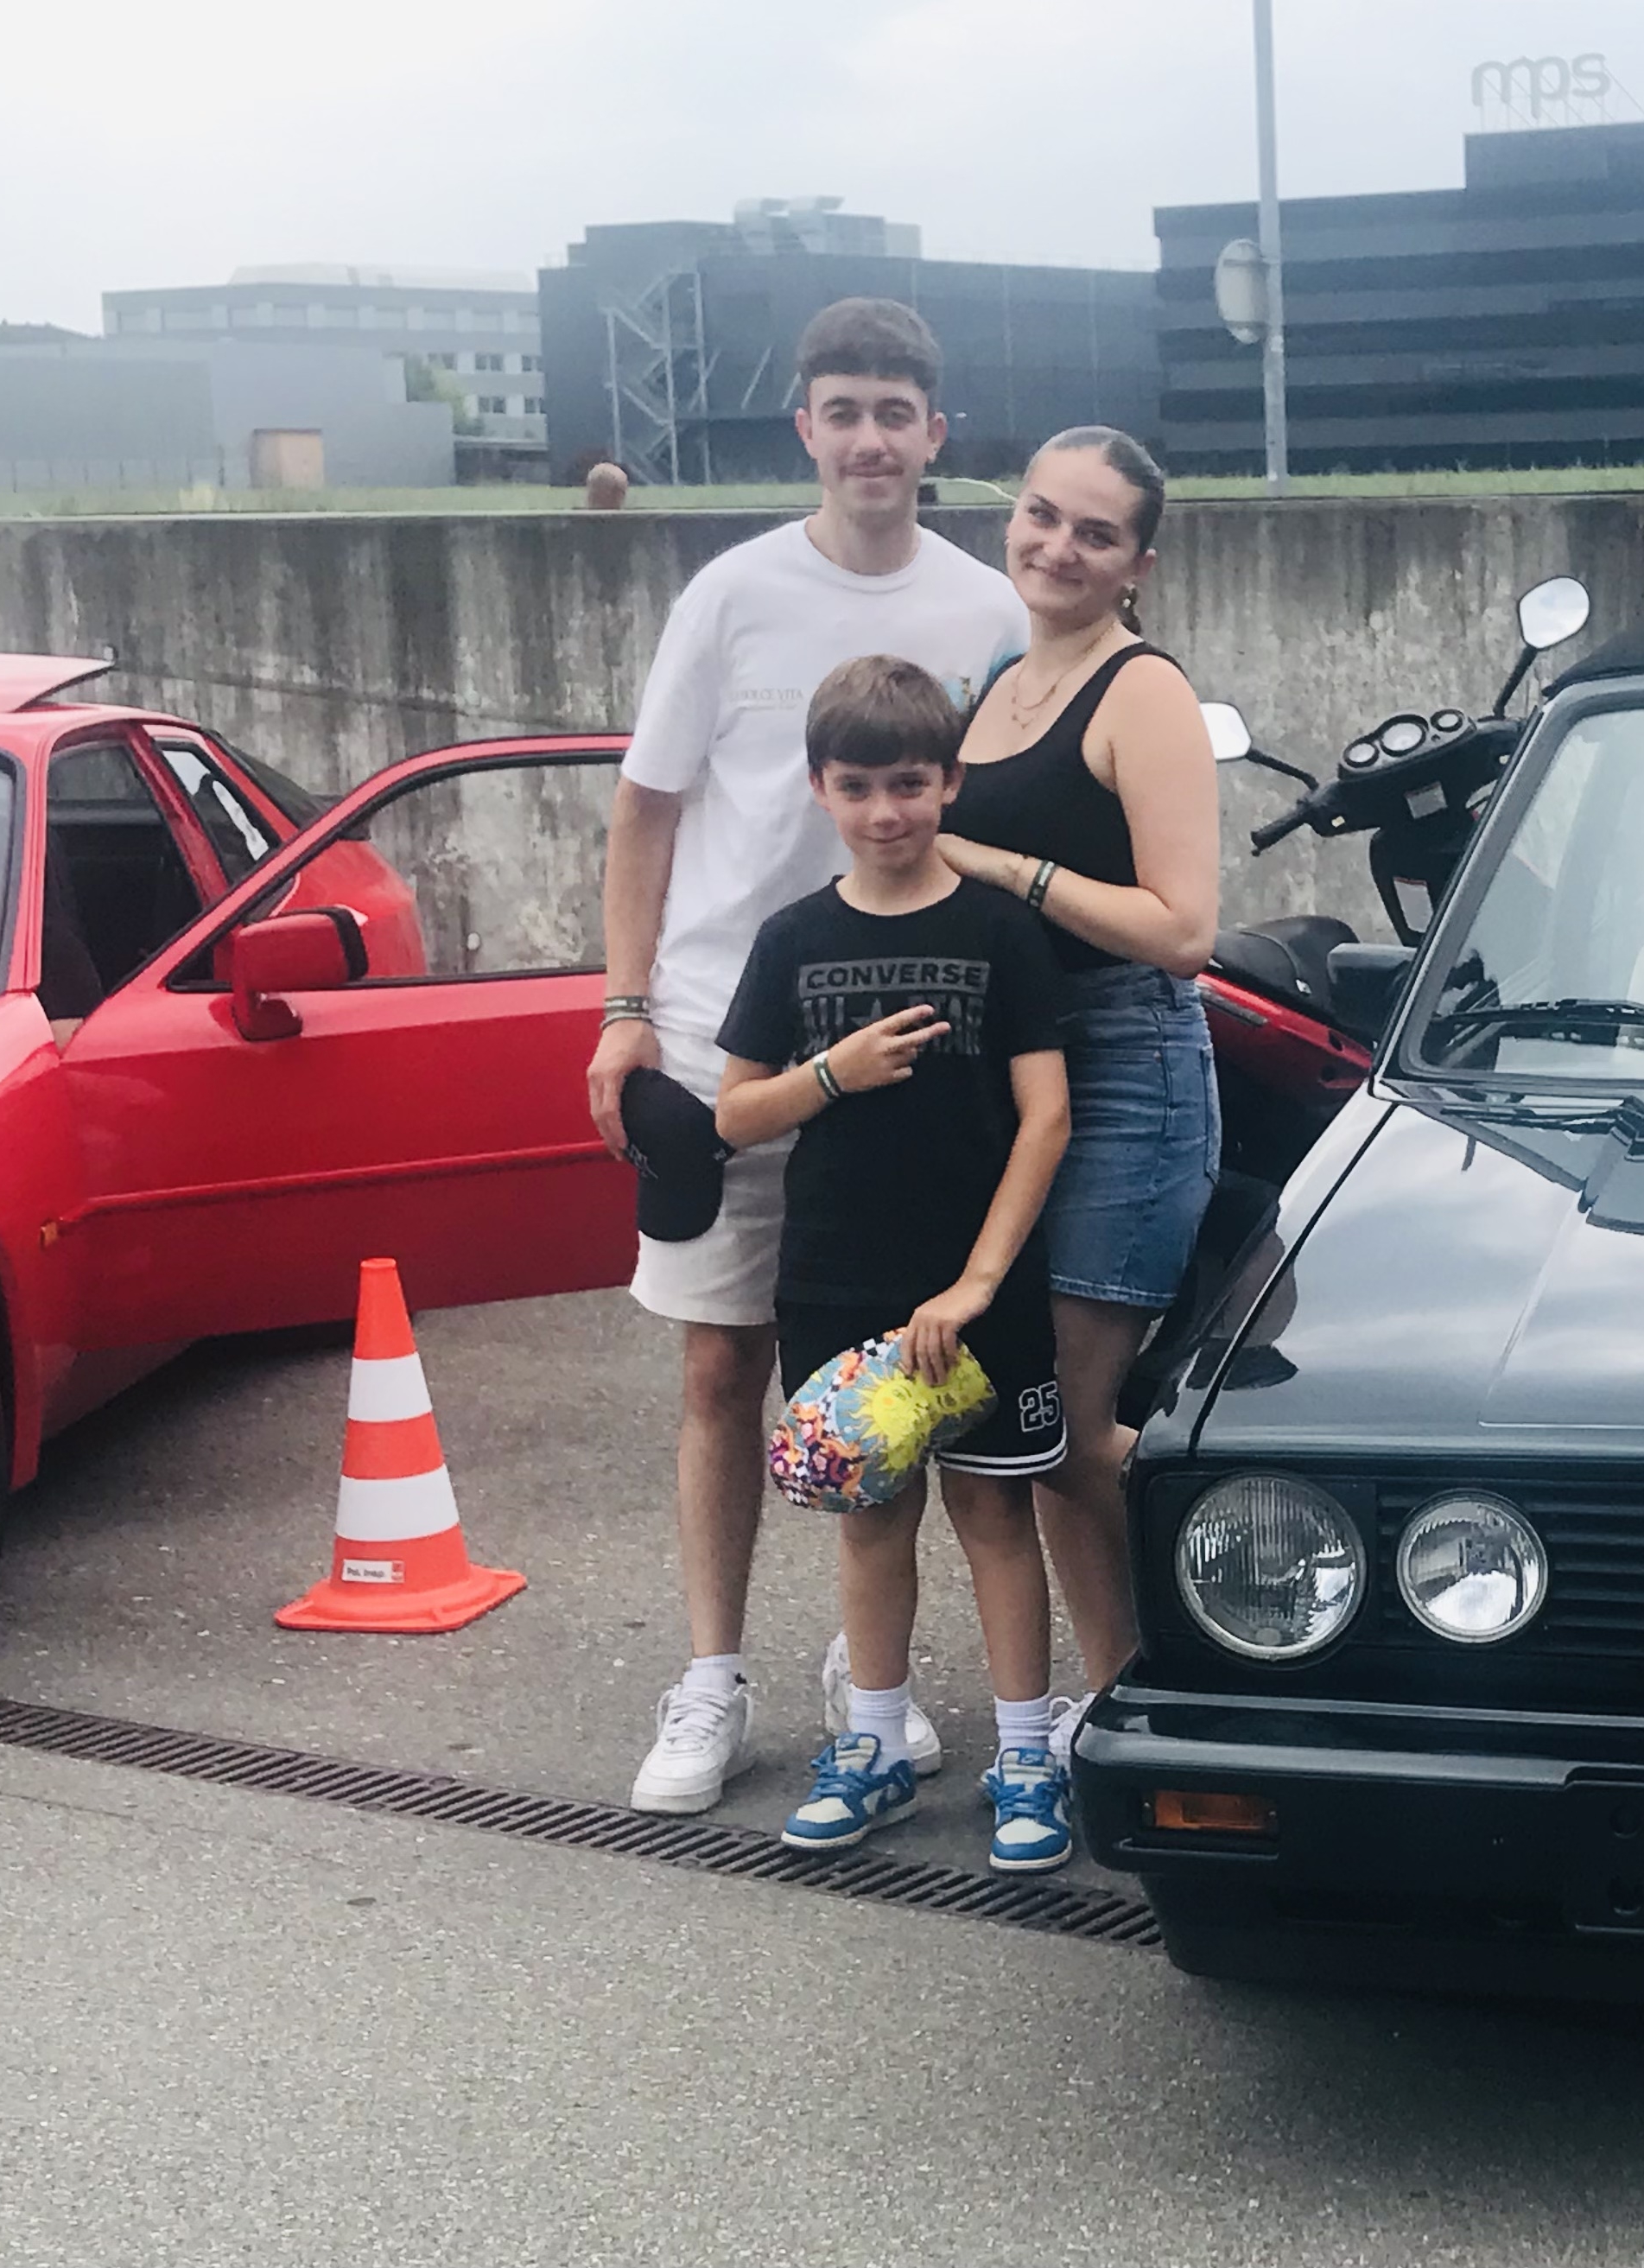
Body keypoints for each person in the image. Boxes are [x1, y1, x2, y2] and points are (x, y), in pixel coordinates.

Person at [586, 298, 1026, 1816]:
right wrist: (623, 1005)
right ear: (805, 428)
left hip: (920, 1060)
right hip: (729, 1038)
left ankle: (869, 1671)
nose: (869, 440)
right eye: (843, 411)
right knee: (722, 1366)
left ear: (934, 433)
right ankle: (711, 1677)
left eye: (895, 413)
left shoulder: (987, 609)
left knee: (897, 1374)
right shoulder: (730, 594)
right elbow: (645, 808)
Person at [712, 656, 1075, 1863]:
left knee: (995, 1512)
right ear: (819, 786)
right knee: (869, 1517)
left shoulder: (1003, 931)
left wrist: (977, 1284)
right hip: (836, 1282)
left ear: (950, 782)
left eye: (910, 783)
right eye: (858, 786)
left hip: (979, 1293)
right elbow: (735, 1114)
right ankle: (872, 1749)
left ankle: (1028, 1759)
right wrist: (832, 1074)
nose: (885, 811)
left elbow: (1047, 1117)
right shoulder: (791, 939)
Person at [931, 427, 1221, 1731]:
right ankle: (1120, 1702)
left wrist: (1003, 870)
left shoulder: (1141, 690)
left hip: (1126, 1071)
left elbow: (1183, 929)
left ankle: (1242, 1602)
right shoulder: (1001, 681)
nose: (1057, 546)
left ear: (1136, 564)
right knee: (1047, 1424)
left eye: (1095, 533)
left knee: (1070, 1417)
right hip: (1013, 1076)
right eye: (1042, 515)